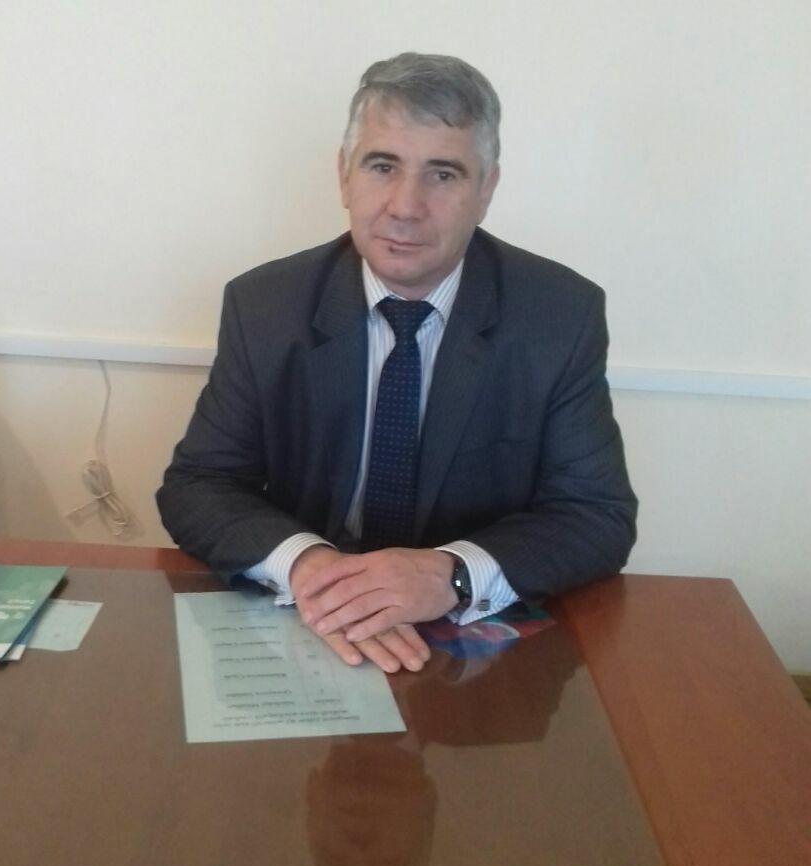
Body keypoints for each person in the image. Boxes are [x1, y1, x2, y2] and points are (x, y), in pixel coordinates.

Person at [157, 52, 637, 674]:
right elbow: (200, 484)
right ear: (344, 176)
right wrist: (310, 567)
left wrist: (452, 573)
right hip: (311, 628)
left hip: (478, 649)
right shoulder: (265, 305)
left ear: (486, 190)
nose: (406, 206)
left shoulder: (558, 315)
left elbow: (595, 514)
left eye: (443, 174)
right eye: (383, 166)